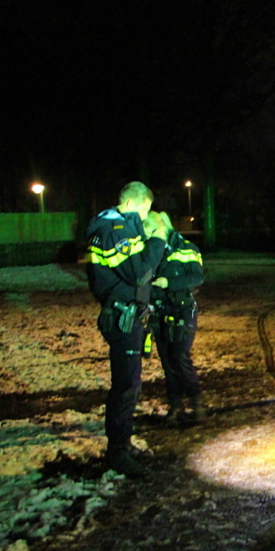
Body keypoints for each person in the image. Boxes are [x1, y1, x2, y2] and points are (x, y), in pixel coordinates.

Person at [86, 182, 168, 476]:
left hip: (128, 313)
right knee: (125, 386)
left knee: (130, 384)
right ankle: (117, 452)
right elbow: (138, 272)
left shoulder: (119, 227)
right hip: (122, 316)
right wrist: (157, 239)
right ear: (135, 202)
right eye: (146, 208)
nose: (147, 214)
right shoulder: (115, 230)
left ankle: (122, 442)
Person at [145, 211, 205, 425]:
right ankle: (176, 406)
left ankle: (197, 405)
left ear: (160, 228)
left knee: (180, 358)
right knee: (167, 362)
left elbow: (198, 277)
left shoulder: (187, 248)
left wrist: (168, 283)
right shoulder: (151, 249)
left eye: (148, 230)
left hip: (183, 310)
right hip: (160, 312)